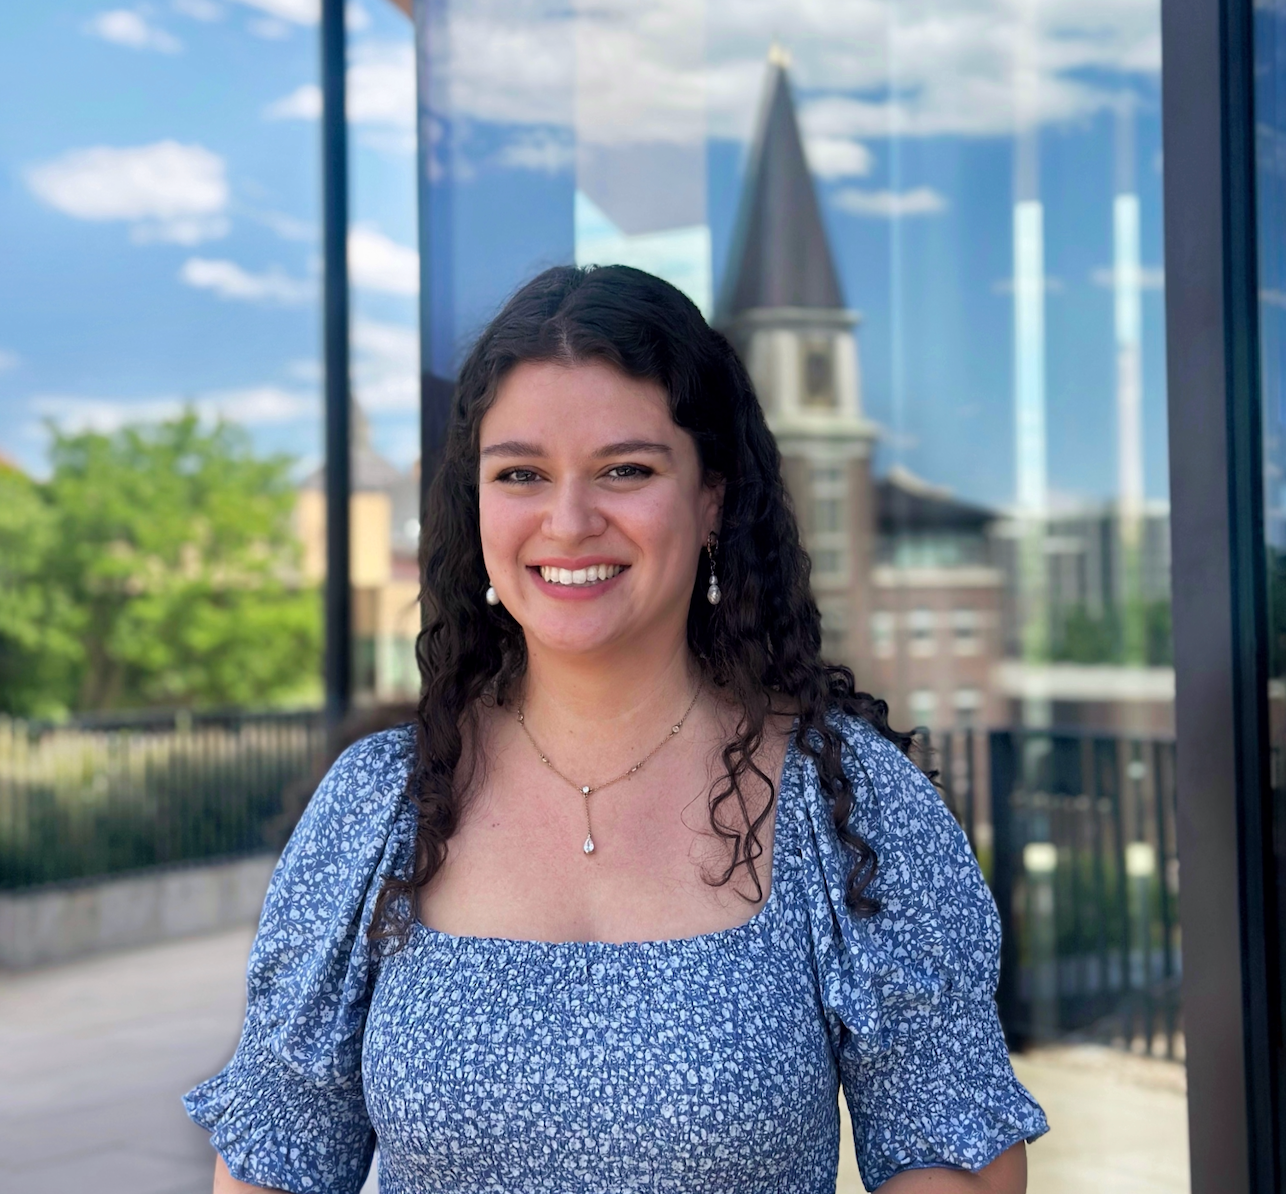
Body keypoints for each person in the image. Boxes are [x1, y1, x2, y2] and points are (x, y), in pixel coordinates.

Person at [185, 264, 1047, 1193]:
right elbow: (278, 1166)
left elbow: (951, 1163)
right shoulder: (378, 806)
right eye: (521, 473)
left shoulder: (846, 806)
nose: (569, 520)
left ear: (711, 495)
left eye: (625, 470)